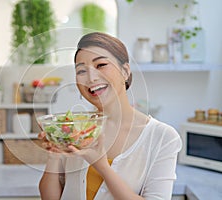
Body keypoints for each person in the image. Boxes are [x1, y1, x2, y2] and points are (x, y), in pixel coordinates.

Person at [38, 32, 182, 200]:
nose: (91, 78)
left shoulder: (163, 137)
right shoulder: (74, 130)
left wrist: (102, 166)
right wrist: (54, 154)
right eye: (82, 71)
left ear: (125, 71)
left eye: (101, 65)